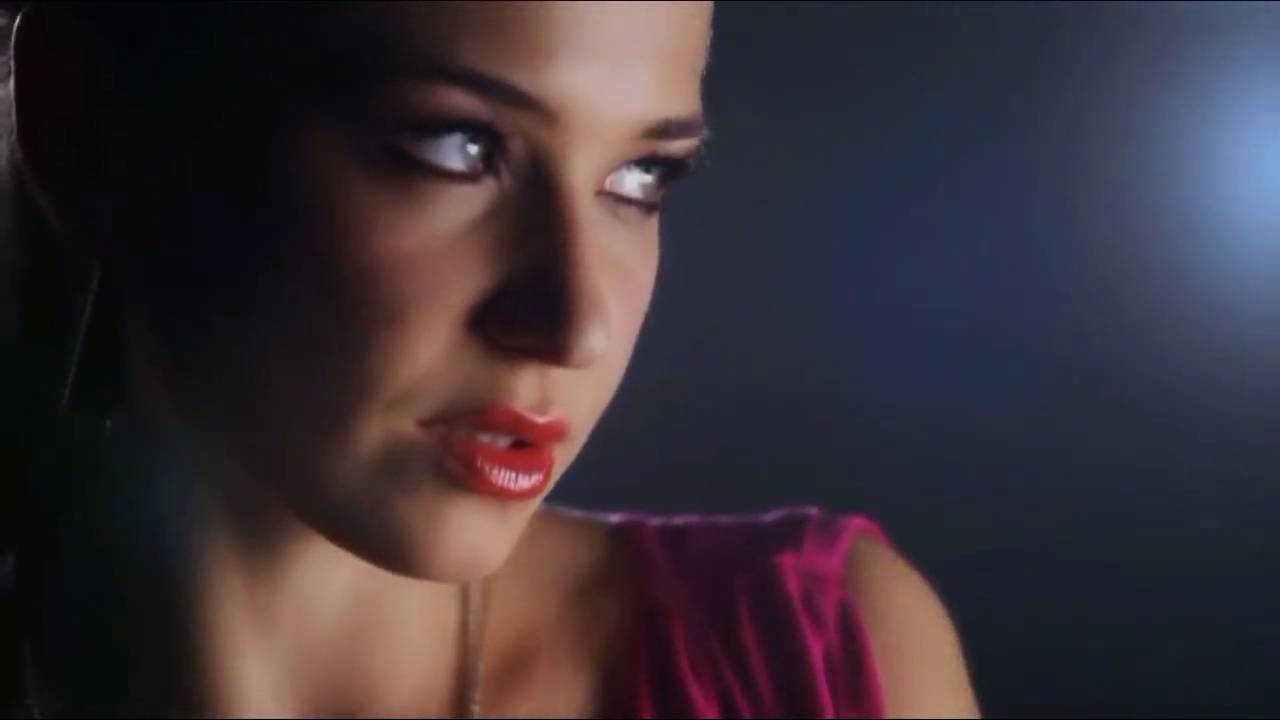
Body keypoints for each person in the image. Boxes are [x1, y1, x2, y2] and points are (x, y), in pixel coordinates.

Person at [0, 2, 981, 717]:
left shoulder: (819, 665)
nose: (575, 326)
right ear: (85, 130)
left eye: (641, 177)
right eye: (459, 147)